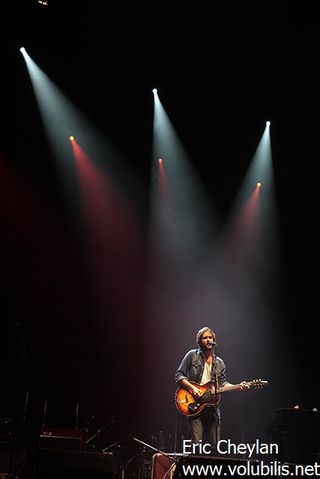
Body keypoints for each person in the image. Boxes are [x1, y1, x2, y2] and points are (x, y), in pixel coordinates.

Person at [175, 326, 249, 450]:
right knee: (196, 446)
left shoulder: (219, 362)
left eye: (210, 337)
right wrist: (192, 388)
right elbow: (179, 375)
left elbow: (223, 384)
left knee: (214, 447)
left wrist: (238, 387)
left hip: (212, 408)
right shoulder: (192, 355)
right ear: (199, 341)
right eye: (205, 338)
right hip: (194, 405)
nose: (208, 340)